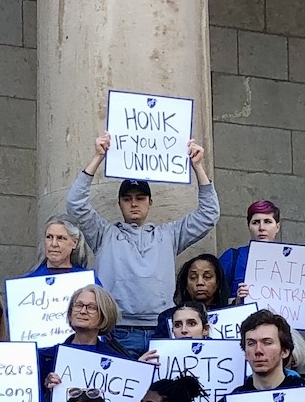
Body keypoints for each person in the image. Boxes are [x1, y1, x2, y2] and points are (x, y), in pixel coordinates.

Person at [65, 135, 219, 349]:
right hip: (118, 330)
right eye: (127, 199)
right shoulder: (103, 234)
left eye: (140, 198)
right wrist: (98, 157)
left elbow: (209, 215)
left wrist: (198, 167)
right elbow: (75, 204)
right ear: (119, 203)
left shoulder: (169, 235)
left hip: (162, 328)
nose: (134, 204)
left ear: (150, 203)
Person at [152, 252, 233, 334]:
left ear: (218, 282)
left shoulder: (231, 315)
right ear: (186, 284)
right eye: (193, 278)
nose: (200, 282)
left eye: (207, 277)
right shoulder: (167, 317)